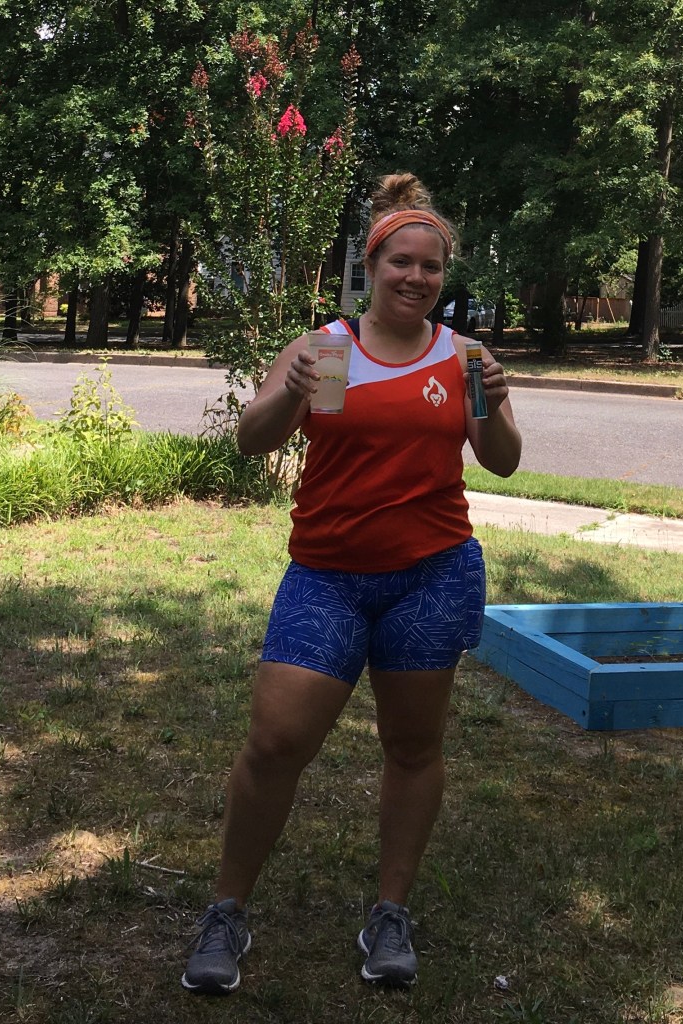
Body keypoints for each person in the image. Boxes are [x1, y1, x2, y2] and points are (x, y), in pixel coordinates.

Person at [181, 172, 522, 994]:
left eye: (431, 267)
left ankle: (390, 913)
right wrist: (286, 395)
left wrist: (501, 406)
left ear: (444, 277)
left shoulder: (467, 357)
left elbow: (501, 461)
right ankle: (227, 910)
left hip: (431, 578)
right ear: (372, 266)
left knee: (412, 746)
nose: (416, 278)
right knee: (276, 742)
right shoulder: (324, 351)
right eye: (400, 262)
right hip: (328, 577)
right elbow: (251, 442)